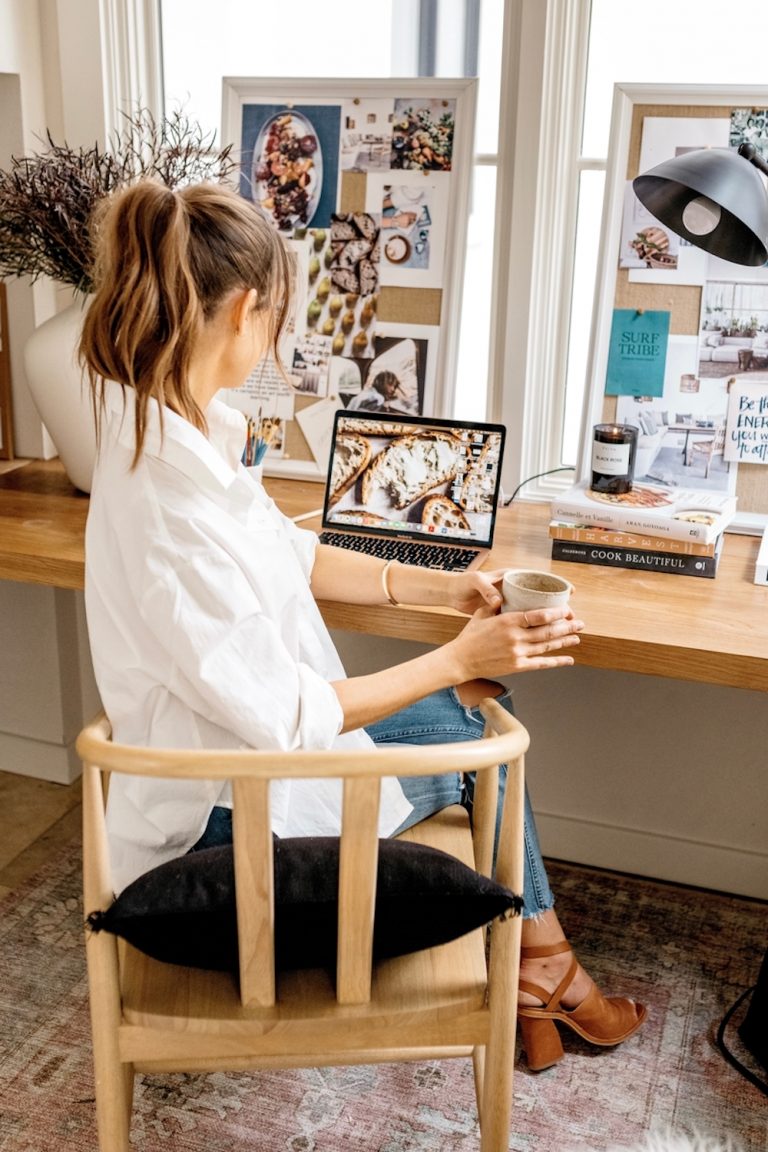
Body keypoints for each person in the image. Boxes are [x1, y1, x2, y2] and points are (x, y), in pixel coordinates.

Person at [78, 179, 646, 1072]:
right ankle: (552, 976)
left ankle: (546, 972)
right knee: (481, 738)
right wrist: (459, 655)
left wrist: (440, 588)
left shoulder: (187, 435)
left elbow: (292, 554)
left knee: (477, 718)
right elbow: (288, 715)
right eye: (279, 313)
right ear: (244, 311)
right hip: (225, 819)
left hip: (250, 758)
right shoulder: (167, 507)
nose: (281, 332)